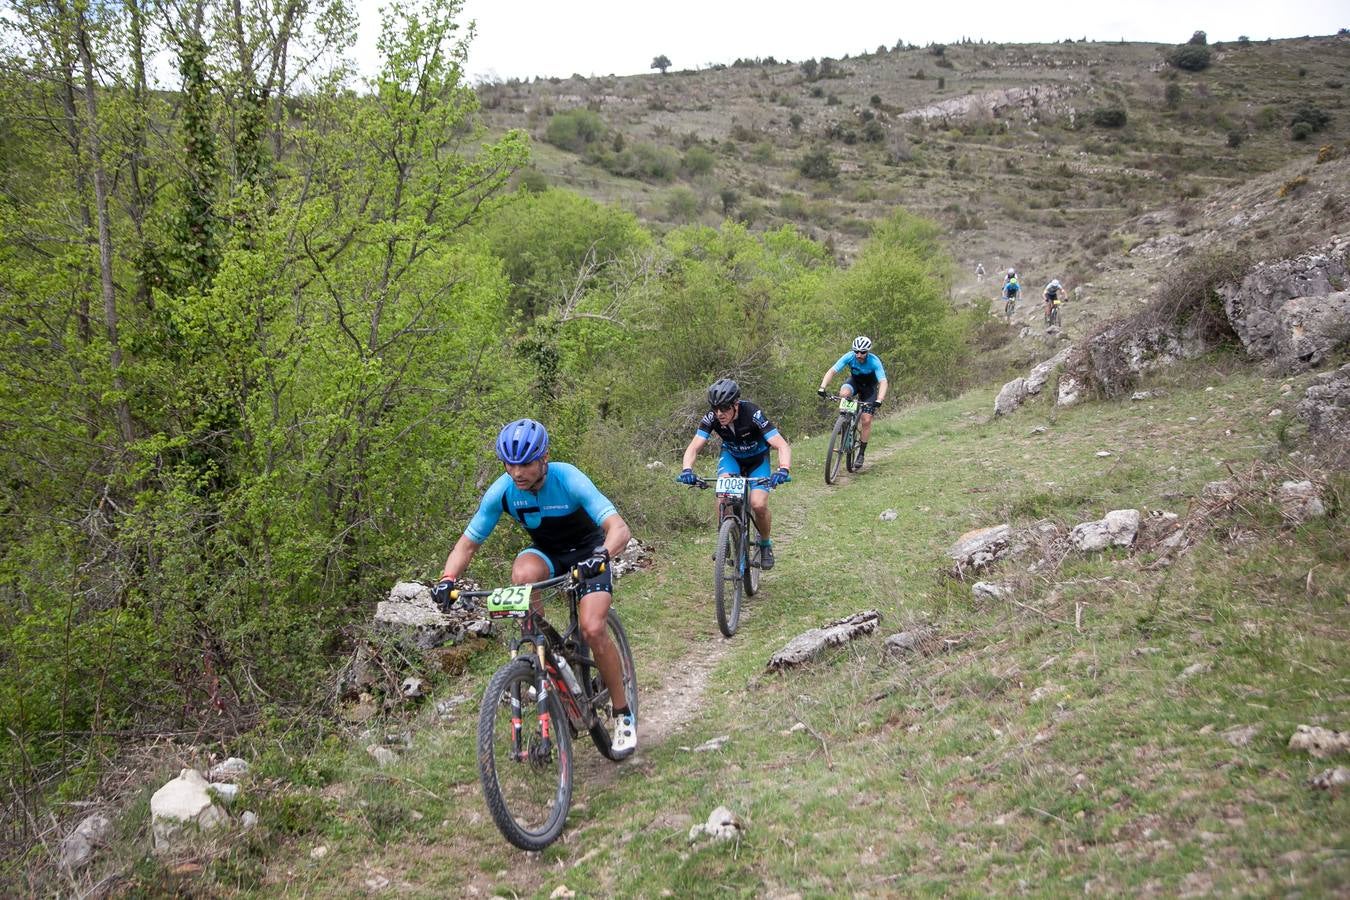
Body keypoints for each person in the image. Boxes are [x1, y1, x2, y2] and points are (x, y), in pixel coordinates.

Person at [432, 419, 637, 757]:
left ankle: (622, 713)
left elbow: (619, 529)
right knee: (522, 572)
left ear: (544, 458)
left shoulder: (567, 477)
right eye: (509, 464)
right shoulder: (503, 491)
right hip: (549, 555)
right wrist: (447, 580)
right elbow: (468, 544)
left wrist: (601, 556)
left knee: (593, 626)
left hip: (589, 552)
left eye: (525, 462)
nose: (517, 472)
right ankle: (546, 656)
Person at [676, 379, 792, 570]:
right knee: (722, 497)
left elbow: (781, 444)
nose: (719, 414)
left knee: (758, 504)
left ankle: (765, 544)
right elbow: (694, 446)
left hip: (757, 460)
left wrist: (783, 469)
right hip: (732, 458)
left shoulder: (753, 413)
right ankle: (724, 540)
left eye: (724, 408)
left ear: (735, 405)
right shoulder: (712, 418)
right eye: (715, 409)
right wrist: (687, 469)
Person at [817, 336, 888, 468]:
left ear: (868, 352)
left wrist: (880, 399)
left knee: (866, 420)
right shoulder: (849, 356)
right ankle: (844, 421)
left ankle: (861, 453)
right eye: (856, 352)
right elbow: (832, 371)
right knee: (844, 393)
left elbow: (883, 381)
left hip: (869, 390)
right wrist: (822, 387)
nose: (859, 355)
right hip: (854, 383)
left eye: (862, 352)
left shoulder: (874, 361)